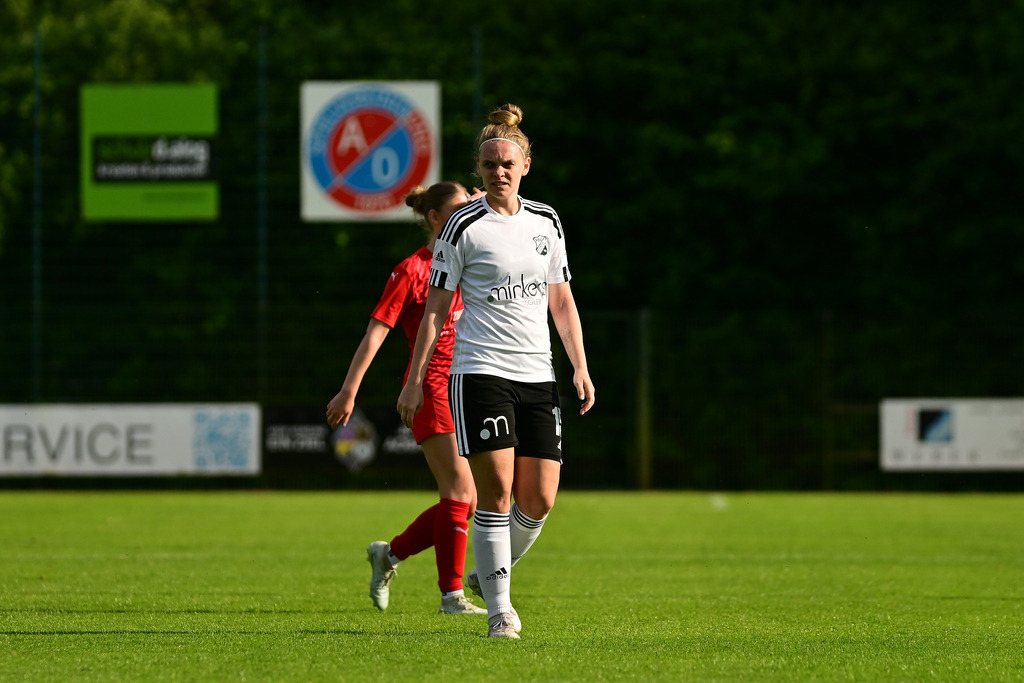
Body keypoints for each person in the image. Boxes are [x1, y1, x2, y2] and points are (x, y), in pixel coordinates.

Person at [397, 103, 595, 639]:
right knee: (498, 493)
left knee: (540, 499)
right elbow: (436, 308)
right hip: (480, 370)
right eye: (488, 165)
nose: (498, 172)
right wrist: (416, 378)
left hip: (539, 374)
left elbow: (562, 301)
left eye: (507, 163)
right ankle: (500, 610)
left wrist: (579, 365)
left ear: (526, 165)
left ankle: (489, 574)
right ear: (479, 169)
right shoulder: (462, 225)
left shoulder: (546, 221)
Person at [326, 181, 487, 616]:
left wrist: (485, 203)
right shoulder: (411, 270)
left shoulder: (470, 257)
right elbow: (376, 332)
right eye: (456, 210)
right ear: (435, 217)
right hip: (431, 386)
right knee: (459, 489)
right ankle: (451, 595)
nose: (465, 216)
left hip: (471, 385)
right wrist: (349, 389)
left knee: (468, 500)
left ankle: (389, 555)